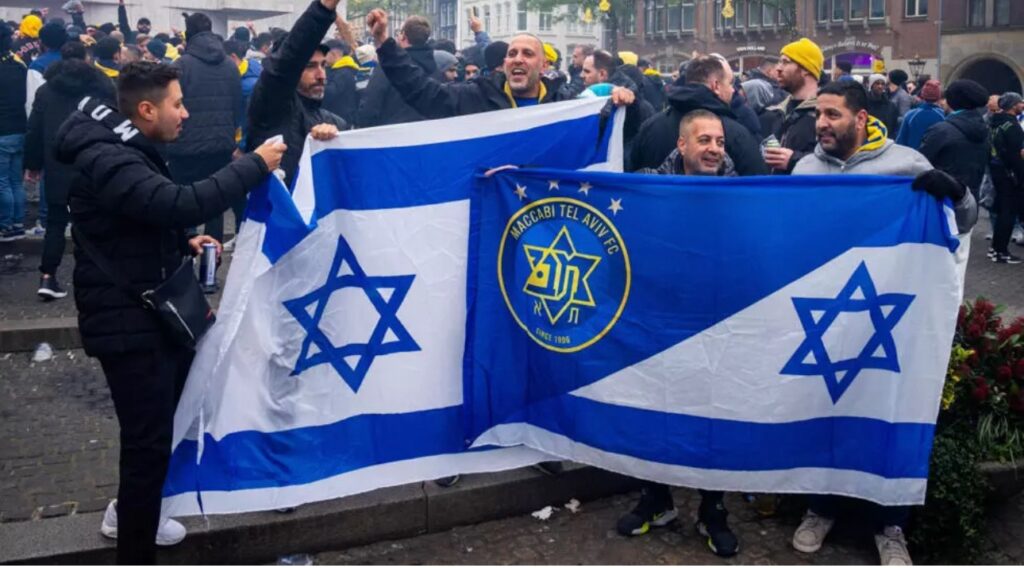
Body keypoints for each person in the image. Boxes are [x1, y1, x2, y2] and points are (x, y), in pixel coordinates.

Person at [54, 61, 285, 565]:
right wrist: (254, 166)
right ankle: (134, 545)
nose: (185, 113)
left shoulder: (123, 148)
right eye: (177, 104)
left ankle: (135, 511)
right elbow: (177, 201)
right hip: (127, 326)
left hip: (146, 316)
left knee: (162, 430)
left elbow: (140, 218)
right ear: (145, 109)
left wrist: (182, 240)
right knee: (147, 445)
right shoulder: (110, 158)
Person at [790, 81, 975, 565]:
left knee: (888, 413)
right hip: (824, 315)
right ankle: (820, 507)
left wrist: (956, 194)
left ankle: (890, 524)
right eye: (819, 115)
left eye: (833, 114)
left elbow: (965, 218)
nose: (822, 124)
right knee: (825, 415)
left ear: (863, 118)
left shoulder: (906, 165)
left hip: (887, 319)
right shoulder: (806, 168)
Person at [618, 110, 738, 559]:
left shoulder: (743, 192)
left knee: (713, 412)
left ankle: (713, 507)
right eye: (704, 140)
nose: (713, 149)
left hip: (717, 317)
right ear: (682, 145)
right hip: (659, 316)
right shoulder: (649, 182)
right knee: (657, 408)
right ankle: (657, 498)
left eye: (720, 141)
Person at [367, 9, 634, 118]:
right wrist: (384, 43)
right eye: (512, 53)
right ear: (504, 63)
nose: (518, 58)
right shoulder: (475, 97)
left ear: (543, 66)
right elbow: (420, 90)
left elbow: (618, 132)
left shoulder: (563, 105)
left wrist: (627, 104)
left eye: (527, 54)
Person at [24, 41, 116, 299]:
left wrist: (32, 164)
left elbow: (34, 130)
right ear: (86, 58)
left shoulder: (45, 90)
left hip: (57, 163)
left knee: (55, 223)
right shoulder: (102, 87)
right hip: (93, 161)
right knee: (95, 222)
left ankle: (47, 277)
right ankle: (100, 278)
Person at [246, 0, 348, 187]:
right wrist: (322, 10)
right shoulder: (271, 108)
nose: (321, 75)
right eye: (310, 66)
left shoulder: (335, 122)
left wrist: (333, 138)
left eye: (323, 65)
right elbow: (284, 66)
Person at [166, 12, 242, 248]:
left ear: (188, 34)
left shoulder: (180, 66)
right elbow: (237, 106)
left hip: (184, 146)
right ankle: (210, 268)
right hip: (220, 146)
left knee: (182, 203)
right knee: (214, 206)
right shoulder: (230, 65)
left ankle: (185, 256)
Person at [630, 54, 766, 176]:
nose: (733, 90)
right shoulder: (737, 133)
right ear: (716, 85)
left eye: (720, 142)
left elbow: (632, 179)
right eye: (730, 83)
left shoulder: (650, 126)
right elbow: (757, 185)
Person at [918, 79, 990, 223]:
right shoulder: (984, 128)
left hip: (942, 203)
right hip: (969, 202)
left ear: (952, 101)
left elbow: (920, 163)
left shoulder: (941, 130)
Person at [356, 15, 435, 128]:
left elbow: (370, 106)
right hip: (425, 136)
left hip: (391, 136)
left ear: (403, 36)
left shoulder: (388, 67)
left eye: (399, 32)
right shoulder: (435, 69)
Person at [760, 38, 823, 174]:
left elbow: (836, 160)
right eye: (779, 62)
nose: (778, 68)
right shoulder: (778, 112)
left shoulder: (825, 113)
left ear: (806, 69)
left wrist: (794, 160)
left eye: (785, 62)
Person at [987, 92, 1024, 264]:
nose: (1022, 105)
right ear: (1012, 105)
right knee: (1008, 213)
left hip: (997, 170)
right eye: (1019, 102)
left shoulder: (995, 122)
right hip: (1010, 174)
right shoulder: (1013, 127)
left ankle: (995, 248)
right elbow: (1016, 155)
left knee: (1001, 209)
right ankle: (1002, 251)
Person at [0, 21, 27, 242]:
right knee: (16, 180)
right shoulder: (19, 66)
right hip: (19, 127)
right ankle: (19, 222)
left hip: (2, 130)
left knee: (2, 181)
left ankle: (6, 225)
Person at [895, 79, 944, 149]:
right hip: (936, 158)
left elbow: (900, 142)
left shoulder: (910, 115)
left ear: (923, 95)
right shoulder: (943, 115)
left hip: (913, 157)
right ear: (939, 96)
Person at [322, 39, 359, 125]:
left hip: (341, 119)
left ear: (334, 54)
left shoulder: (343, 72)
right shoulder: (339, 70)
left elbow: (331, 93)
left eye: (325, 54)